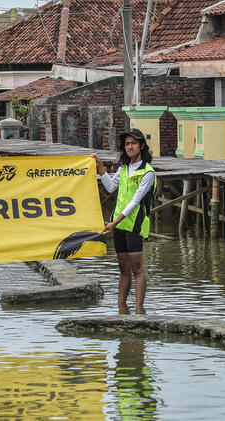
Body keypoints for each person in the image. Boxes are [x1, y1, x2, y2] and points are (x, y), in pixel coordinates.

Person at [92, 128, 156, 314]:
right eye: (127, 144)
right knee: (123, 269)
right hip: (119, 225)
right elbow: (111, 186)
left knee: (137, 268)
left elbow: (135, 201)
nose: (130, 147)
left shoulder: (148, 172)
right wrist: (99, 166)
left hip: (134, 224)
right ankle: (121, 308)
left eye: (133, 143)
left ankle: (139, 309)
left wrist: (114, 222)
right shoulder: (124, 168)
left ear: (141, 146)